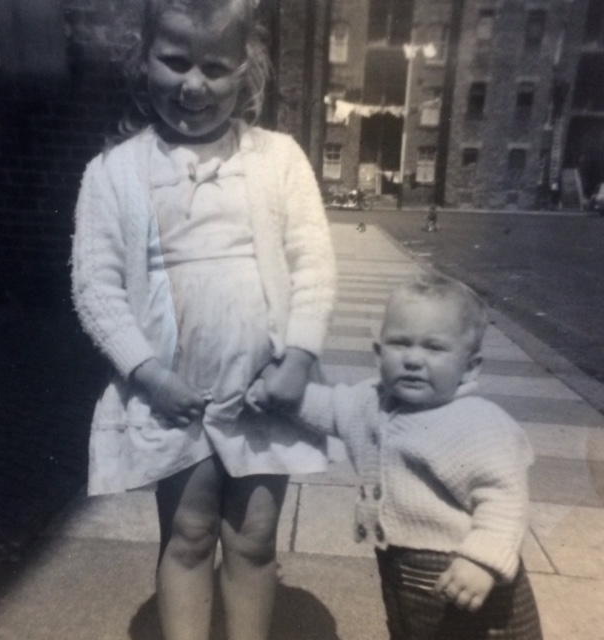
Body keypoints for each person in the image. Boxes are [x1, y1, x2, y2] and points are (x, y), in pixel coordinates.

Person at [71, 1, 336, 639]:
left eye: (215, 68)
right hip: (175, 393)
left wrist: (298, 358)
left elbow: (313, 262)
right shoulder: (114, 173)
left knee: (253, 537)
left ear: (247, 70)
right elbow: (96, 287)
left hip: (263, 387)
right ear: (144, 60)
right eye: (175, 61)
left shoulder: (277, 159)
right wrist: (148, 374)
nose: (194, 85)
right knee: (189, 534)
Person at [252, 274, 543, 639]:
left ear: (470, 366)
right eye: (400, 344)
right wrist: (279, 397)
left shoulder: (479, 423)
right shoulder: (370, 401)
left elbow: (505, 500)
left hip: (469, 576)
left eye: (434, 348)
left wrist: (482, 560)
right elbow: (328, 407)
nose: (413, 359)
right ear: (378, 353)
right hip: (401, 570)